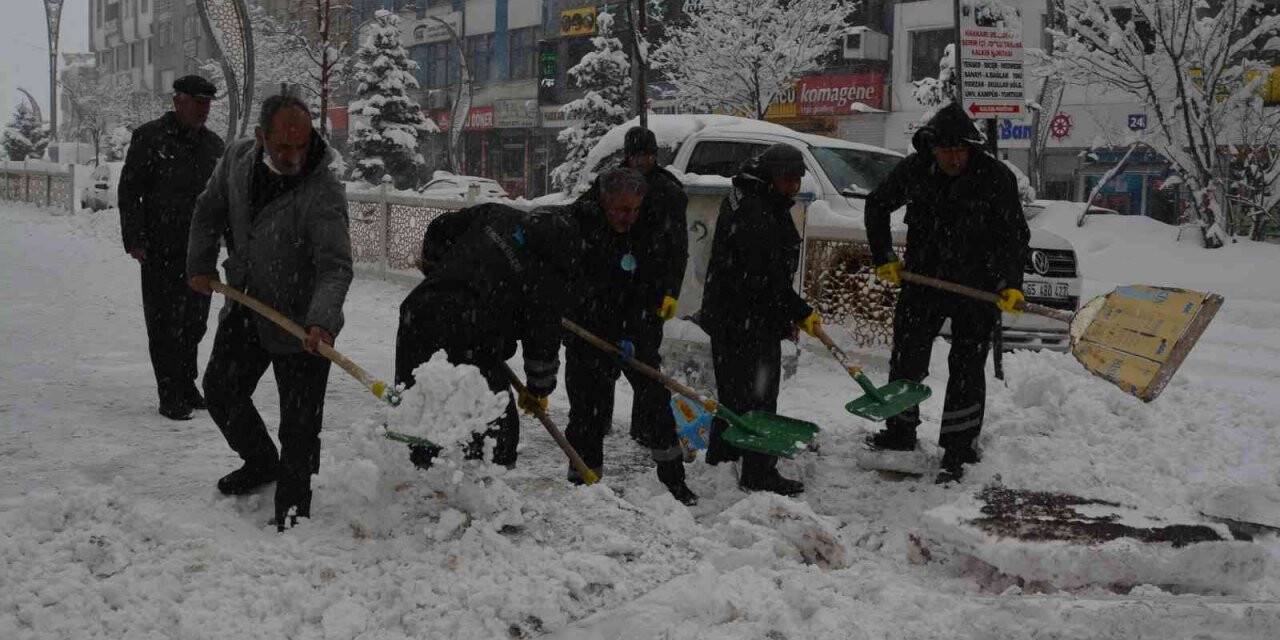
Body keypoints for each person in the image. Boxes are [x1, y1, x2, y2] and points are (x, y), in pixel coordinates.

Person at [186, 94, 353, 529]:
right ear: (261, 138)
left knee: (299, 424)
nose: (295, 156)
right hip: (248, 302)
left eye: (302, 145)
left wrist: (321, 320)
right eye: (283, 147)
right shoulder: (238, 160)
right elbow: (208, 210)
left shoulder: (323, 190)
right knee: (221, 389)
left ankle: (294, 510)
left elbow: (335, 266)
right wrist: (200, 263)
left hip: (302, 322)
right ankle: (261, 463)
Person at [862, 102, 1030, 483]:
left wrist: (1011, 283)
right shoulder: (916, 170)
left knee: (968, 366)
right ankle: (900, 432)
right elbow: (876, 205)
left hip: (978, 286)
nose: (954, 158)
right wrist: (884, 255)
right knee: (908, 358)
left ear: (972, 147)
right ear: (932, 149)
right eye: (946, 151)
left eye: (960, 151)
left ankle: (959, 446)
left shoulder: (994, 177)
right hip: (924, 280)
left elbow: (1014, 236)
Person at [392, 200, 581, 469]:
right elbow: (542, 342)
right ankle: (484, 486)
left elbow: (439, 227)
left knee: (420, 410)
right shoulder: (547, 277)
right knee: (495, 429)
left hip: (419, 313)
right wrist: (538, 388)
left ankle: (421, 482)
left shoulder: (495, 214)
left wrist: (440, 271)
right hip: (471, 333)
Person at [571, 127, 696, 505]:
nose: (629, 215)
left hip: (642, 306)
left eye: (635, 210)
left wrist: (668, 293)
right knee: (587, 403)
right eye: (635, 155)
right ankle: (582, 478)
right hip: (593, 316)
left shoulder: (668, 192)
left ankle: (673, 477)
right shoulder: (595, 202)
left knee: (652, 396)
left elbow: (676, 249)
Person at [699, 144, 823, 496]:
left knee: (734, 392)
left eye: (798, 179)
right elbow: (765, 278)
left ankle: (722, 456)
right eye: (787, 179)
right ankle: (758, 470)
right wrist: (801, 313)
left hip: (732, 314)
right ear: (771, 176)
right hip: (746, 317)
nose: (793, 186)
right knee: (759, 396)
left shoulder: (750, 194)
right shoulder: (756, 212)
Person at [118, 75, 225, 420]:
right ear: (178, 100)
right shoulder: (150, 138)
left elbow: (223, 199)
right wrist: (135, 238)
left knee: (195, 322)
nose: (203, 109)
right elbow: (129, 191)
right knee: (165, 325)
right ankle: (169, 391)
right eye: (198, 102)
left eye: (208, 103)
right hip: (160, 249)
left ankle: (186, 382)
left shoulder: (213, 146)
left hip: (201, 253)